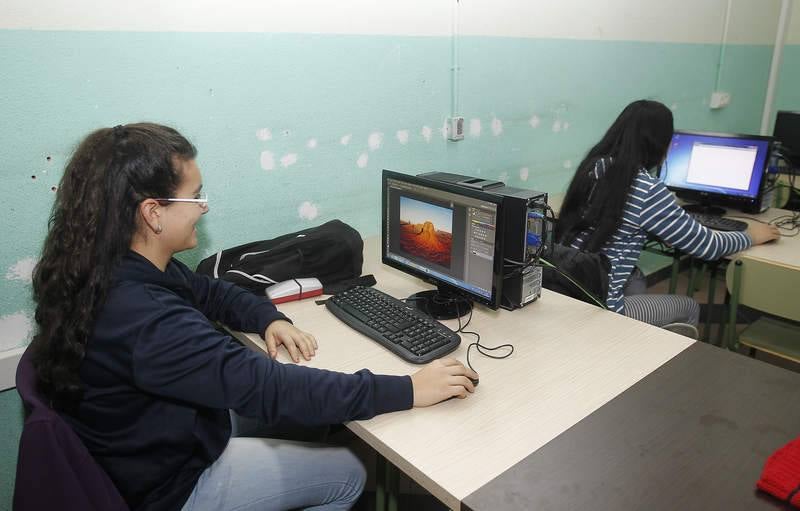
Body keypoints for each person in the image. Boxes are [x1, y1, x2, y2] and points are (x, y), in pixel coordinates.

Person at [29, 123, 479, 511]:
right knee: (350, 471)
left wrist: (268, 318)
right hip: (170, 486)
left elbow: (212, 292)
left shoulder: (113, 268)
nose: (203, 206)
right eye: (194, 196)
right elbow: (269, 389)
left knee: (313, 415)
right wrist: (408, 388)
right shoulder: (145, 318)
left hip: (151, 442)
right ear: (153, 213)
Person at [557, 100, 780, 328]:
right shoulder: (646, 189)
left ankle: (632, 341)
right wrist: (751, 236)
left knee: (636, 278)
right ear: (659, 144)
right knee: (689, 307)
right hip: (601, 303)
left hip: (567, 285)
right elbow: (708, 247)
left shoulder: (593, 166)